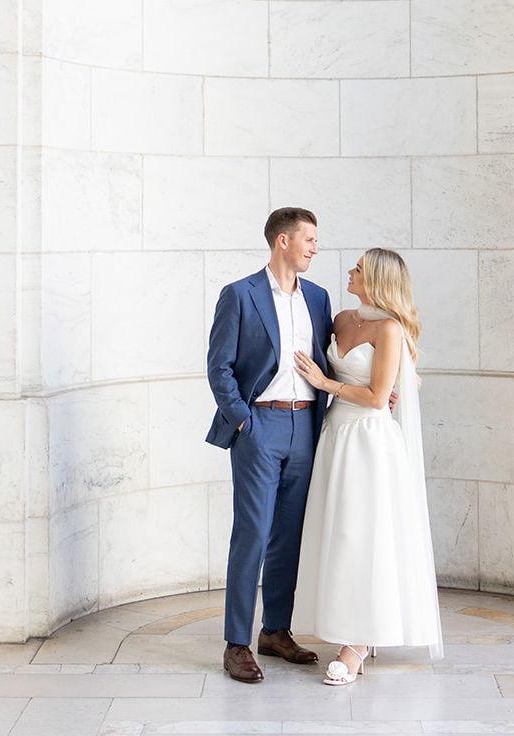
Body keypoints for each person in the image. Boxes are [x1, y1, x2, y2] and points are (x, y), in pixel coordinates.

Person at [289, 247, 443, 684]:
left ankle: (357, 644)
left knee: (362, 537)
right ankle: (347, 627)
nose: (350, 272)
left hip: (368, 441)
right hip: (335, 435)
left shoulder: (390, 329)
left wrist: (326, 383)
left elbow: (378, 398)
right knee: (337, 534)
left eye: (358, 268)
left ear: (376, 278)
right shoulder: (341, 319)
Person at [204, 207, 334, 684]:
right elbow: (219, 366)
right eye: (309, 239)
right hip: (260, 425)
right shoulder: (240, 294)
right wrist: (244, 421)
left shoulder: (318, 297)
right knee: (253, 534)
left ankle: (275, 631)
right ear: (283, 241)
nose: (315, 247)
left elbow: (330, 361)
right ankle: (236, 643)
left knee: (289, 536)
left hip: (306, 426)